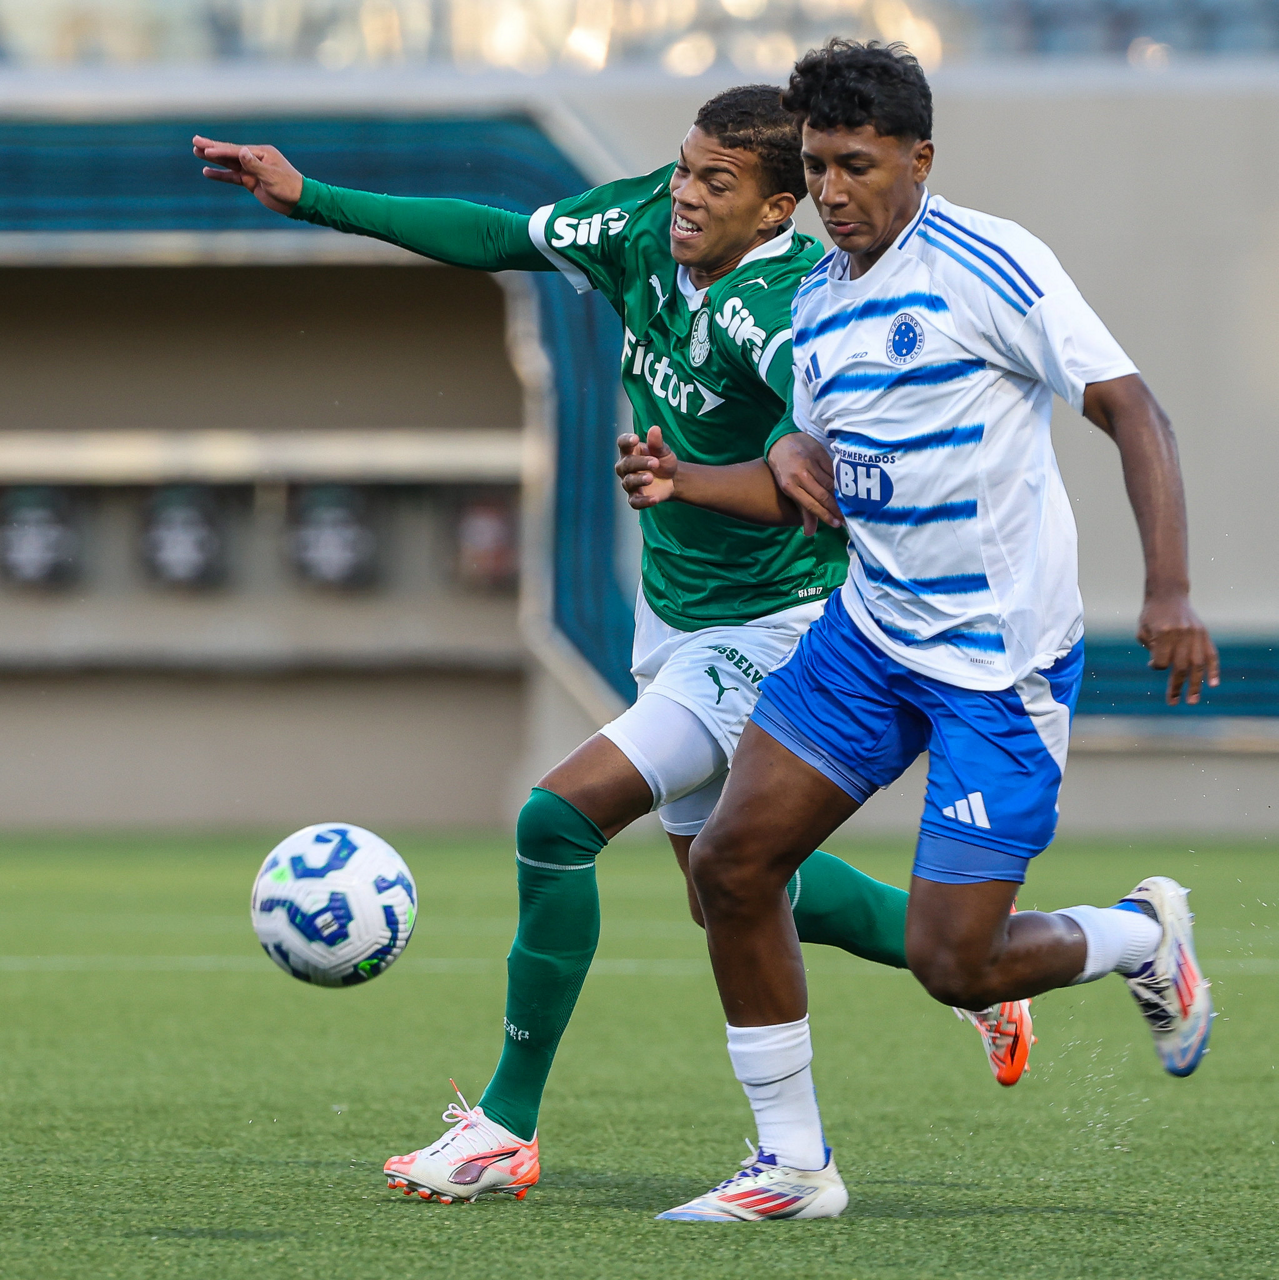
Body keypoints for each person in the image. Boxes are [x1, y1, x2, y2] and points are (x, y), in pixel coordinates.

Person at [194, 87, 1020, 1209]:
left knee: (556, 819)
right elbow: (496, 233)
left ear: (776, 208)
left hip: (776, 629)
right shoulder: (640, 224)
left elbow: (818, 457)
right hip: (674, 613)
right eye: (683, 167)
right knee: (728, 882)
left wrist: (743, 465)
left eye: (717, 182)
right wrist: (310, 199)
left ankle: (506, 1127)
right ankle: (981, 968)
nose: (685, 195)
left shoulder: (783, 309)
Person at [617, 40, 1220, 1223]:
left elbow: (1131, 406)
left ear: (918, 159)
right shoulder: (816, 299)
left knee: (955, 963)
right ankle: (791, 1165)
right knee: (729, 866)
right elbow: (819, 485)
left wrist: (1169, 590)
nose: (831, 191)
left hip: (997, 667)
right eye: (815, 167)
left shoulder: (988, 263)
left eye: (855, 164)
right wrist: (691, 479)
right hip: (869, 638)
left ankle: (1139, 934)